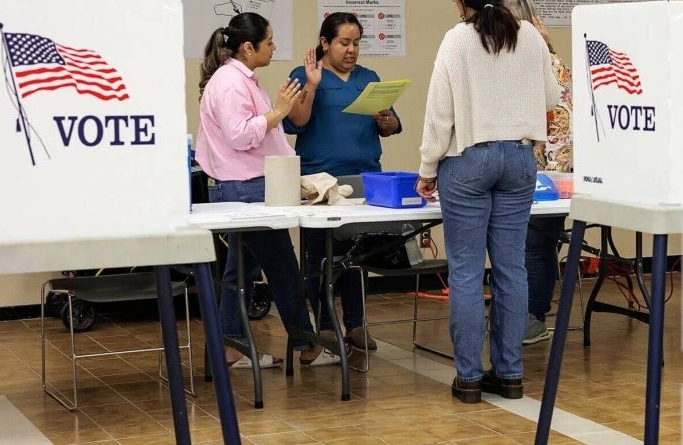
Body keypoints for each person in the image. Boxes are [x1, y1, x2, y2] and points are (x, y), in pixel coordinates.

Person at [415, 0, 560, 404]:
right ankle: (510, 375)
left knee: (465, 271)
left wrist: (427, 167)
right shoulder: (529, 34)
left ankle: (469, 379)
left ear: (462, 4)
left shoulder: (457, 39)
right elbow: (550, 97)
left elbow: (439, 112)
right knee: (512, 269)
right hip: (519, 158)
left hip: (469, 158)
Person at [196, 12, 339, 369]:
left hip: (251, 185)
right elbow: (240, 135)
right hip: (248, 189)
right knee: (283, 267)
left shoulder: (240, 78)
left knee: (240, 271)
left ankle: (229, 346)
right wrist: (278, 112)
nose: (274, 47)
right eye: (269, 41)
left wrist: (277, 112)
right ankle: (308, 343)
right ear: (248, 47)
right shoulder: (230, 82)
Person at [283, 12, 404, 353]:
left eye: (356, 43)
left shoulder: (370, 78)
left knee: (356, 255)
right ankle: (322, 327)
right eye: (343, 43)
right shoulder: (305, 75)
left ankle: (355, 324)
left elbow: (391, 128)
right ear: (325, 43)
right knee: (318, 256)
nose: (351, 50)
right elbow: (296, 121)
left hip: (364, 180)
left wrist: (386, 119)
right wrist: (311, 84)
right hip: (319, 181)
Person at [502, 0, 574, 346]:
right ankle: (521, 313)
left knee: (535, 247)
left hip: (547, 175)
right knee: (523, 248)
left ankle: (532, 316)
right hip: (520, 169)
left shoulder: (549, 64)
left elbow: (560, 130)